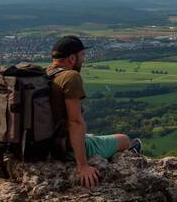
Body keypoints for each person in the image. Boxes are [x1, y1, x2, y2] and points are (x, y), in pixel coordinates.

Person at [47, 35, 141, 187]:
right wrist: (82, 165)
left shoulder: (44, 74)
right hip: (65, 148)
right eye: (82, 55)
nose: (84, 59)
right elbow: (75, 122)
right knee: (124, 139)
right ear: (72, 58)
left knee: (92, 136)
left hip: (45, 143)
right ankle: (132, 158)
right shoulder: (70, 77)